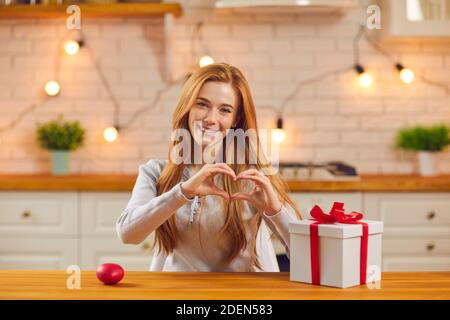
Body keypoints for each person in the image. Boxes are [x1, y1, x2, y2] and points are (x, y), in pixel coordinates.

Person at [116, 63, 302, 272]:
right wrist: (183, 192)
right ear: (187, 107)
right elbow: (128, 234)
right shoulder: (156, 172)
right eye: (202, 104)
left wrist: (275, 211)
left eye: (225, 110)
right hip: (178, 295)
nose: (211, 119)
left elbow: (307, 256)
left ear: (235, 119)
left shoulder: (253, 176)